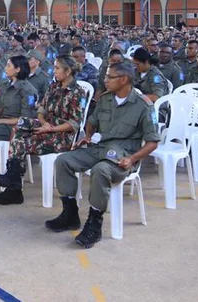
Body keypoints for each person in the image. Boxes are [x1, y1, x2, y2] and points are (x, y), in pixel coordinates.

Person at [47, 61, 158, 249]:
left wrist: (132, 159)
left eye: (110, 77)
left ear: (124, 80)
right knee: (63, 160)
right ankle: (70, 213)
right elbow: (92, 121)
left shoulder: (143, 105)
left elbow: (153, 142)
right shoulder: (106, 99)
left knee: (101, 170)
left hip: (123, 155)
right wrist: (88, 136)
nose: (105, 80)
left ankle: (94, 222)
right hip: (99, 148)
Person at [0, 54, 87, 205]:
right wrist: (43, 123)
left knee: (21, 143)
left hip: (61, 134)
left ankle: (14, 187)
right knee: (20, 126)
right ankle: (13, 182)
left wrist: (51, 129)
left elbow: (75, 123)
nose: (53, 71)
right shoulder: (54, 86)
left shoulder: (77, 92)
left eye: (57, 68)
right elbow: (42, 109)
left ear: (68, 71)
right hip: (46, 125)